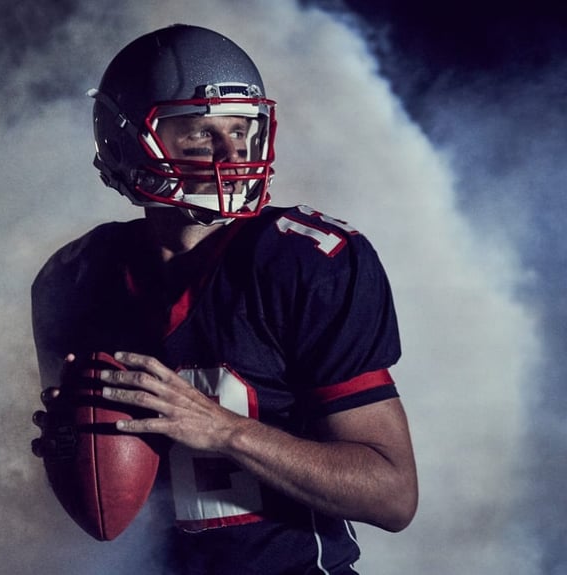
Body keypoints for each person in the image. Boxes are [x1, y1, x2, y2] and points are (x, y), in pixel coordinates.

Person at [31, 24, 418, 573]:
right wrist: (73, 449)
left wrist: (224, 430)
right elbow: (104, 510)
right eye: (196, 132)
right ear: (125, 139)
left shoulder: (307, 262)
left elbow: (392, 493)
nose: (230, 151)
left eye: (241, 129)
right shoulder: (73, 278)